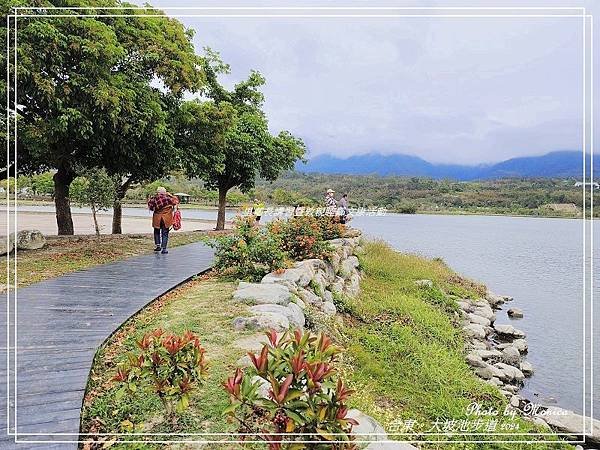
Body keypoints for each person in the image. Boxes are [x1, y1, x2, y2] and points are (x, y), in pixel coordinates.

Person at [147, 187, 179, 254]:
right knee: (165, 233)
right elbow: (176, 201)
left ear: (157, 192)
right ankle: (164, 249)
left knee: (156, 231)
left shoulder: (154, 199)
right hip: (166, 218)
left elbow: (151, 207)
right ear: (165, 192)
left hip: (157, 218)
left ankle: (158, 246)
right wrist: (170, 194)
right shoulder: (169, 198)